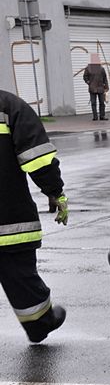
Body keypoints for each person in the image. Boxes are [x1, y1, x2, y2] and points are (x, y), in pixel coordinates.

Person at [0, 90, 69, 343]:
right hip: (8, 220)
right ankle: (39, 323)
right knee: (20, 275)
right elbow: (38, 157)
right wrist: (55, 193)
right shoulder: (9, 107)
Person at [83, 54, 109, 121]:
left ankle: (102, 116)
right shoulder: (88, 68)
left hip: (100, 88)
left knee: (102, 103)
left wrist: (106, 87)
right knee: (93, 103)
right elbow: (85, 77)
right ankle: (95, 117)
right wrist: (89, 83)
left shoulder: (101, 68)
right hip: (92, 88)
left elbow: (105, 78)